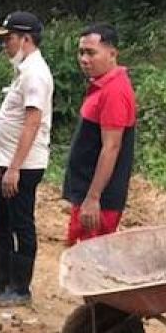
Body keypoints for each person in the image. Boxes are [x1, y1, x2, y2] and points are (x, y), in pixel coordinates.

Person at [0, 12, 54, 307]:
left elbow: (32, 123)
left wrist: (14, 168)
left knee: (21, 223)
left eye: (9, 39)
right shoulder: (25, 70)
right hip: (11, 163)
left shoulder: (35, 73)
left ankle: (20, 288)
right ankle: (3, 280)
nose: (5, 45)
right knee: (0, 217)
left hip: (24, 165)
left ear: (26, 39)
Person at [62, 23, 137, 244]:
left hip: (98, 203)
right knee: (79, 261)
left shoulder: (114, 91)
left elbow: (111, 147)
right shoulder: (102, 86)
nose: (84, 59)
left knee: (89, 267)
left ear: (112, 53)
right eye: (81, 52)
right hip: (88, 197)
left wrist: (94, 198)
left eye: (91, 53)